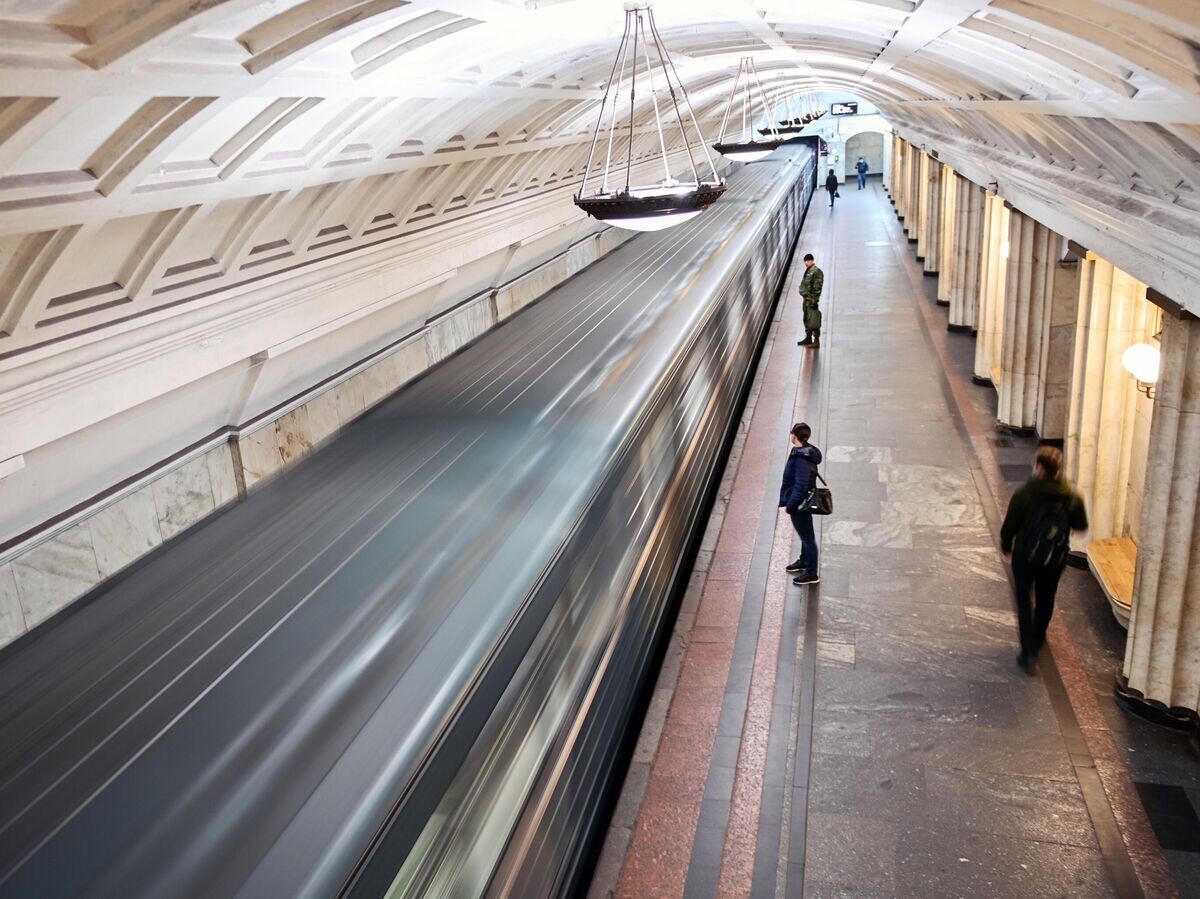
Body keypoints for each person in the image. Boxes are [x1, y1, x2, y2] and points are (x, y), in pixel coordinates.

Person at [1000, 446, 1088, 673]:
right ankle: (1038, 639)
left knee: (1023, 599)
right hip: (1054, 558)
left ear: (1039, 467)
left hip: (1025, 557)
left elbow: (1010, 525)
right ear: (1057, 470)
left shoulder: (1024, 494)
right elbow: (1081, 525)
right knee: (1046, 599)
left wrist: (1006, 547)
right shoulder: (1071, 496)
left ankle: (1027, 652)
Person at [779, 422, 823, 585]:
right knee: (806, 535)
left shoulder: (801, 459)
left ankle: (812, 574)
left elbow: (801, 485)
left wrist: (791, 505)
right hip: (802, 501)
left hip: (799, 503)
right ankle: (804, 561)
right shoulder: (806, 451)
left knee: (808, 538)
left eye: (792, 433)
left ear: (795, 436)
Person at [796, 253, 823, 348]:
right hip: (806, 300)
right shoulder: (808, 271)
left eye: (807, 261)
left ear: (812, 260)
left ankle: (816, 340)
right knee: (806, 319)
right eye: (805, 261)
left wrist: (814, 301)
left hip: (811, 301)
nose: (806, 263)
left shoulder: (817, 272)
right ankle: (808, 337)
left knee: (814, 320)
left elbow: (817, 288)